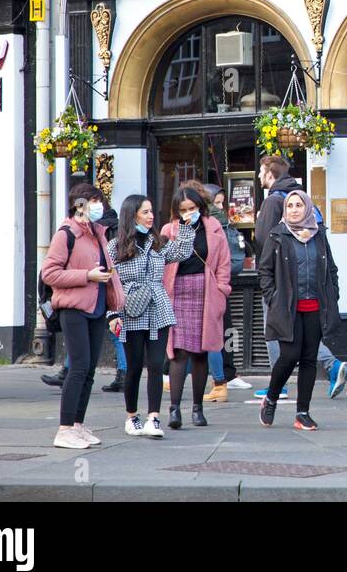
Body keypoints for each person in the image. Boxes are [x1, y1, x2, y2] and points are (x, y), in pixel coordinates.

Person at [254, 155, 347, 401]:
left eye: (261, 172)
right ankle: (331, 365)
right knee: (301, 338)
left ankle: (282, 384)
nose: (258, 177)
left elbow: (264, 243)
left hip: (284, 285)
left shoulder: (273, 202)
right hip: (305, 286)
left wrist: (272, 294)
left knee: (280, 332)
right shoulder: (299, 196)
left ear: (270, 174)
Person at [40, 183, 123, 449]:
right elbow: (49, 274)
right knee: (77, 368)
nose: (99, 206)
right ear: (80, 205)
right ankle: (64, 429)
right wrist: (87, 275)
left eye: (100, 200)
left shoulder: (98, 234)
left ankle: (77, 425)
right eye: (93, 201)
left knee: (88, 370)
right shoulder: (66, 234)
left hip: (97, 307)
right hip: (74, 307)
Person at [107, 194, 197, 439]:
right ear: (132, 214)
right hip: (131, 307)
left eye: (151, 212)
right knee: (135, 366)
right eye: (145, 212)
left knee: (157, 365)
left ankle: (154, 418)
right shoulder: (115, 246)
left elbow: (182, 252)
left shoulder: (157, 242)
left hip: (158, 307)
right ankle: (131, 416)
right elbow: (110, 283)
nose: (150, 216)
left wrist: (187, 227)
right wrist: (113, 314)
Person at [258, 190, 341, 431]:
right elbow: (265, 271)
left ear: (307, 208)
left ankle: (302, 412)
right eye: (290, 205)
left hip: (315, 307)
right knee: (289, 356)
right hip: (287, 309)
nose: (294, 209)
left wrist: (332, 294)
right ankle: (271, 397)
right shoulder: (278, 236)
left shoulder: (319, 236)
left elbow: (331, 269)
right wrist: (273, 298)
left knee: (308, 359)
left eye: (299, 205)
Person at [158, 183, 232, 429]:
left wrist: (222, 291)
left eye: (192, 208)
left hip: (206, 292)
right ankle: (175, 409)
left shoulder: (214, 228)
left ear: (201, 206)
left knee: (201, 352)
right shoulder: (170, 230)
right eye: (183, 209)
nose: (188, 213)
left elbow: (223, 263)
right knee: (178, 352)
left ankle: (198, 409)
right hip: (177, 292)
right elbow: (162, 263)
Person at [199, 182, 249, 401]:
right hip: (210, 285)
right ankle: (222, 375)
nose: (220, 207)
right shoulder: (214, 224)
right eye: (216, 202)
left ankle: (226, 374)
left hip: (220, 285)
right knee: (216, 333)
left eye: (222, 202)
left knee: (226, 331)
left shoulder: (223, 224)